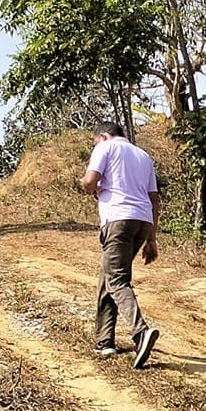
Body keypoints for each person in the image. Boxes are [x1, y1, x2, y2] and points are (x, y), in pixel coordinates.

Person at [77, 122, 161, 368]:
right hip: (142, 222)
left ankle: (140, 332)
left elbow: (90, 181)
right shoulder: (143, 156)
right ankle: (105, 341)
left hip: (118, 219)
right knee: (109, 277)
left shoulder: (106, 147)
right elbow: (154, 200)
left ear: (103, 136)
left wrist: (86, 185)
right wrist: (152, 238)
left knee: (116, 280)